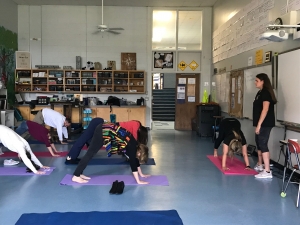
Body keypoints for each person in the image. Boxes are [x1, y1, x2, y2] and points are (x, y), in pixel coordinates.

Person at [72, 121, 150, 184]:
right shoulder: (132, 146)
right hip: (103, 130)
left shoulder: (134, 145)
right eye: (140, 157)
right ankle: (76, 175)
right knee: (90, 153)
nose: (138, 158)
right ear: (140, 152)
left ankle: (80, 173)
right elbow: (133, 163)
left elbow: (135, 161)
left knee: (91, 153)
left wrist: (141, 174)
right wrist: (138, 181)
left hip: (104, 128)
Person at [65, 118, 148, 164]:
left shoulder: (134, 125)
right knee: (83, 139)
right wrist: (134, 157)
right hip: (99, 123)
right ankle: (70, 157)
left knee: (87, 140)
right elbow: (134, 140)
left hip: (103, 124)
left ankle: (75, 155)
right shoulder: (137, 125)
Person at [253, 73, 277, 179]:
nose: (255, 82)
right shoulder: (260, 92)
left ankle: (267, 171)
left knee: (263, 144)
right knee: (258, 142)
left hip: (265, 123)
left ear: (263, 81)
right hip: (261, 123)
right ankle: (260, 164)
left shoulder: (266, 93)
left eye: (257, 80)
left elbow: (265, 109)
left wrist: (259, 124)